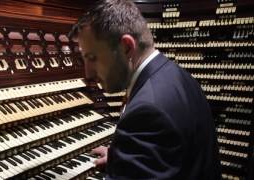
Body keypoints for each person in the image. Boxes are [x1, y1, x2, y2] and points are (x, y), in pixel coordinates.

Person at [69, 0, 221, 179]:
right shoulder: (176, 75)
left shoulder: (149, 110)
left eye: (92, 57)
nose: (88, 73)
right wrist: (126, 158)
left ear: (126, 47)